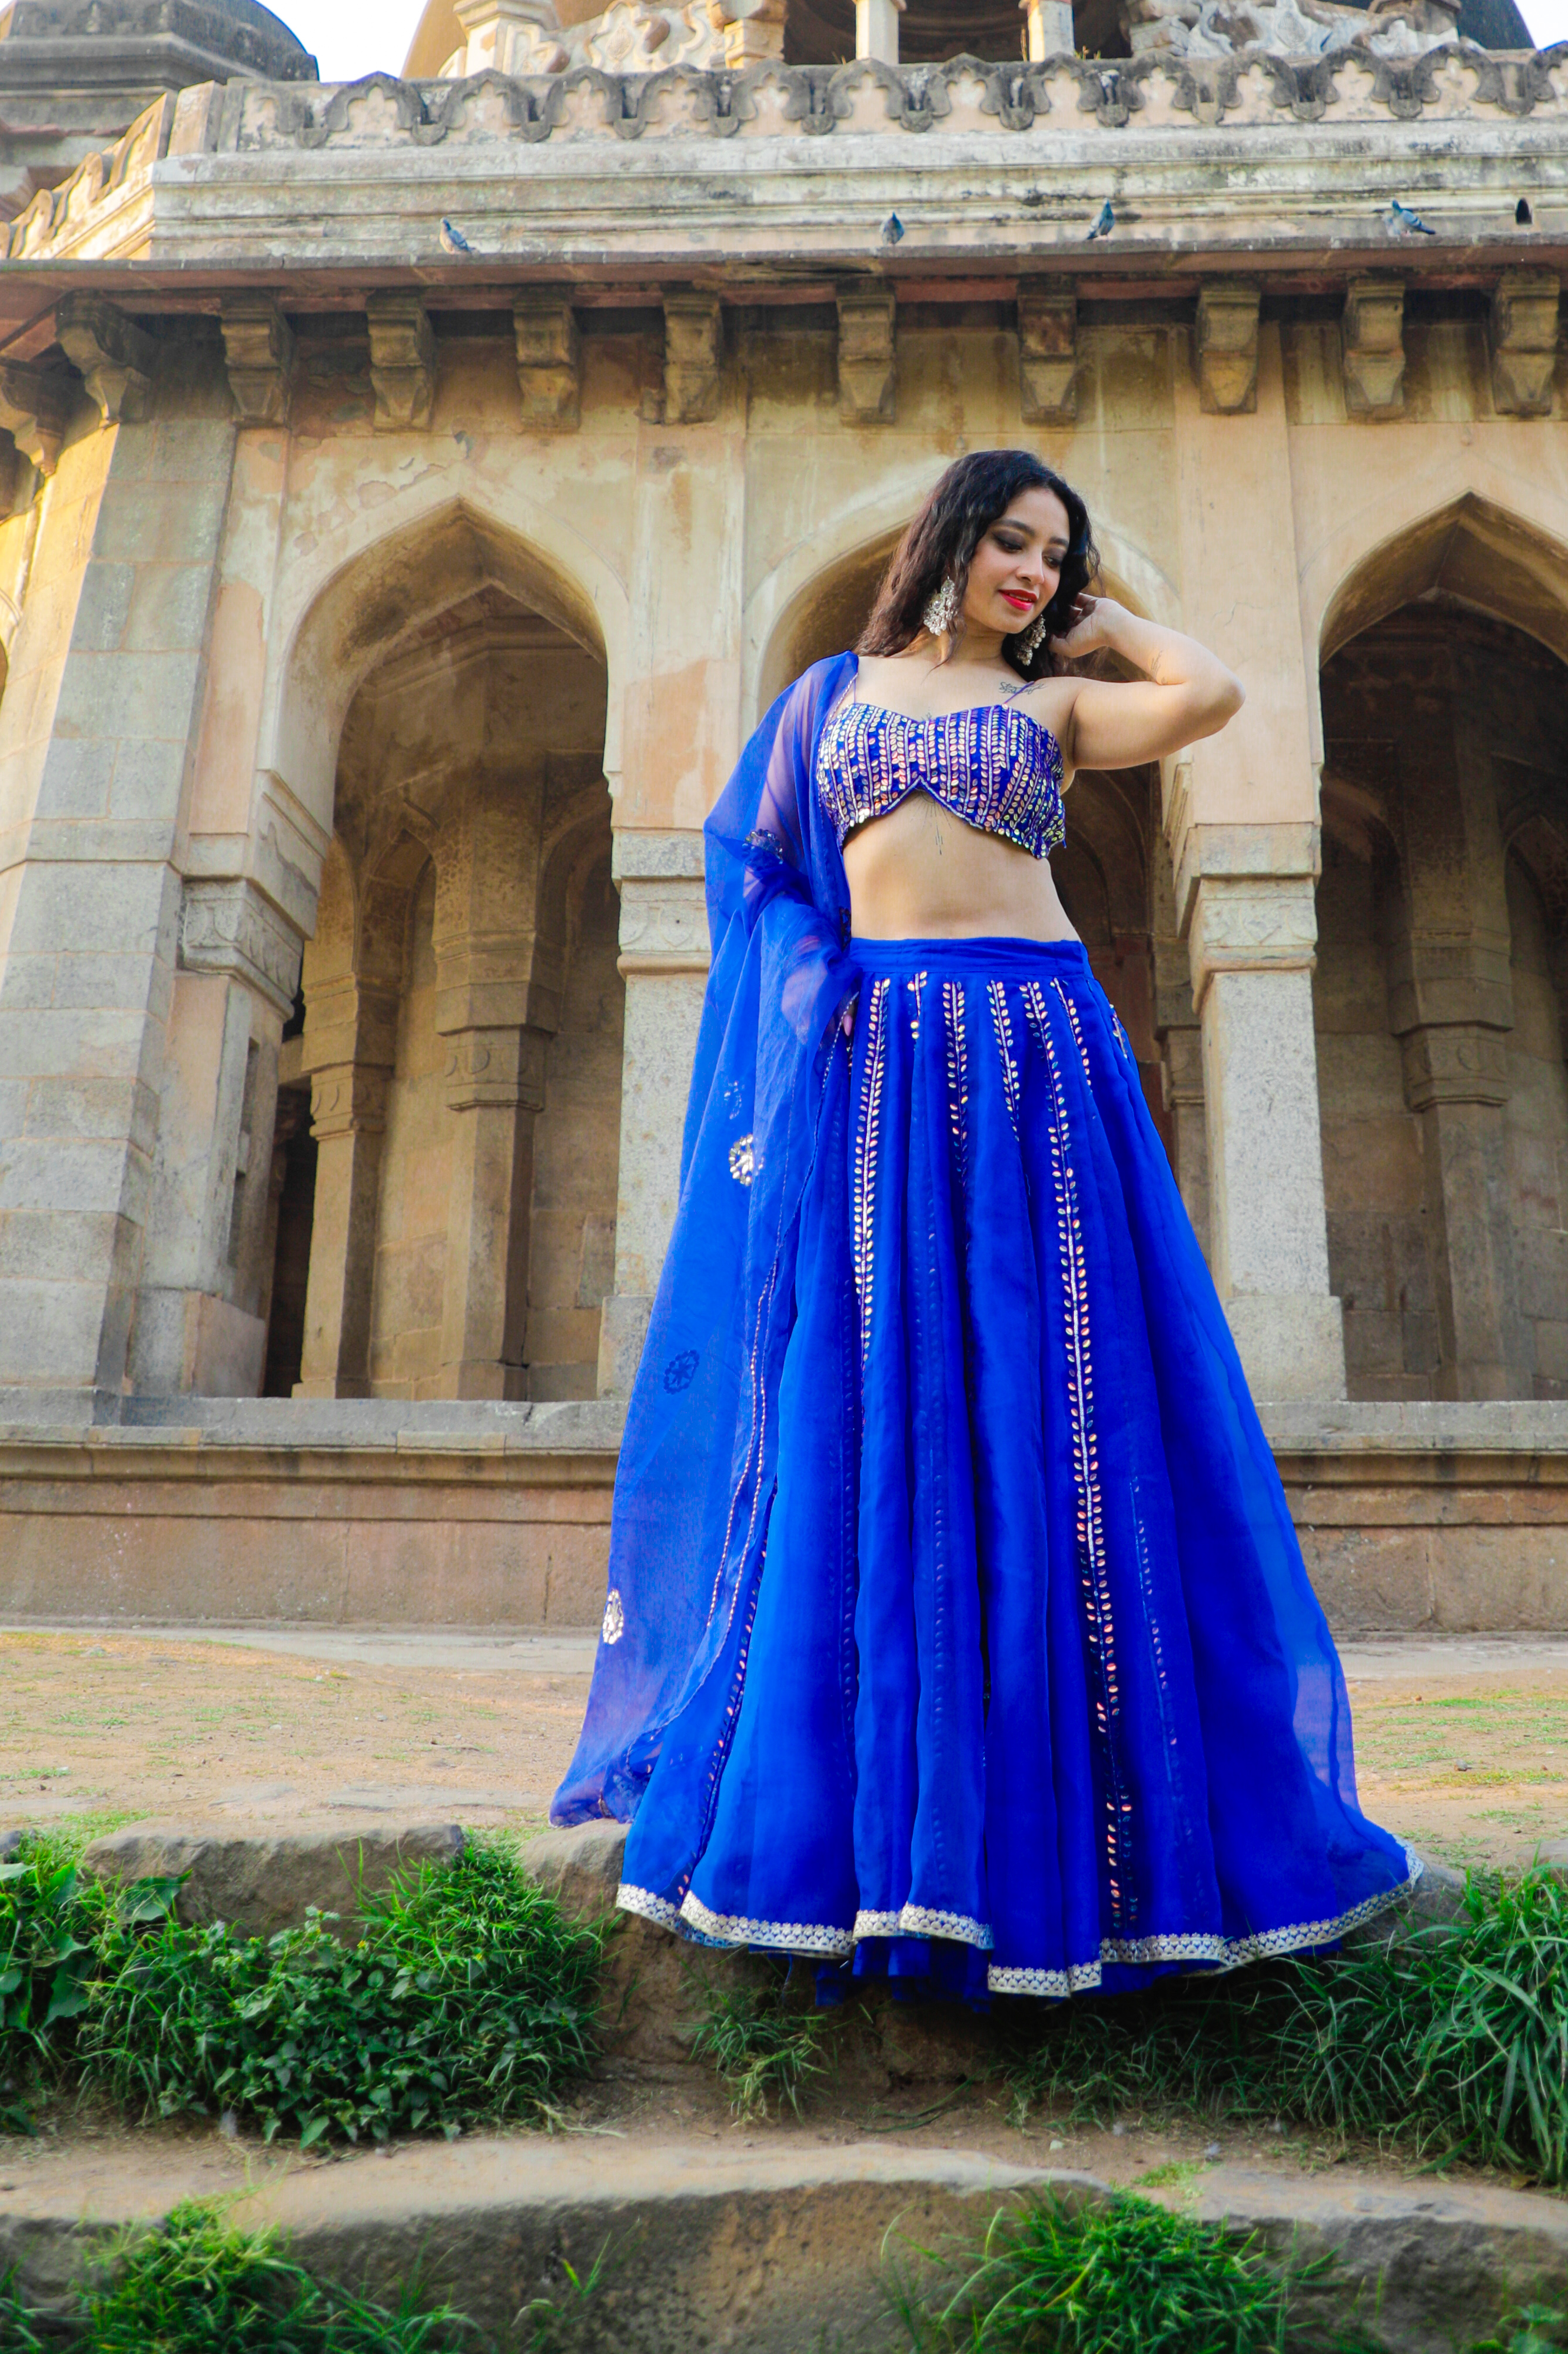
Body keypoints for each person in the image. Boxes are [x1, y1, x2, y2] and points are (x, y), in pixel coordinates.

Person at [552, 446, 1415, 1997]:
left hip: (1037, 1050)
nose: (1027, 571)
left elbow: (1208, 696)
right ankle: (884, 1827)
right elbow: (754, 875)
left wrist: (1104, 630)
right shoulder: (828, 698)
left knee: (1064, 1390)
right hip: (880, 1063)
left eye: (1051, 555)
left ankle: (1088, 1834)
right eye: (1010, 543)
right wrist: (817, 982)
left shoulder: (1053, 710)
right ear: (948, 540)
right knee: (886, 1400)